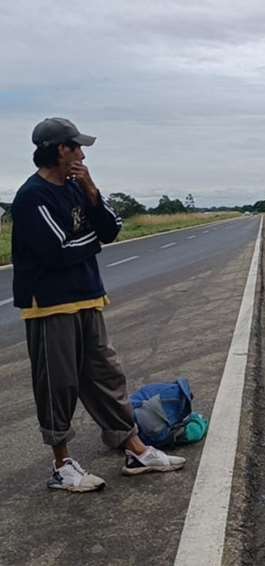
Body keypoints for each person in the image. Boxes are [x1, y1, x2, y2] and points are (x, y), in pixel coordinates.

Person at [11, 117, 186, 493]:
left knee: (107, 376)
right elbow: (57, 251)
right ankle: (62, 466)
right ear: (61, 150)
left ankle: (135, 448)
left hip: (88, 296)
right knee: (58, 383)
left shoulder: (77, 188)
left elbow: (110, 229)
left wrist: (91, 190)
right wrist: (94, 240)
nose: (83, 153)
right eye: (77, 147)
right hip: (51, 305)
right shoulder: (32, 197)